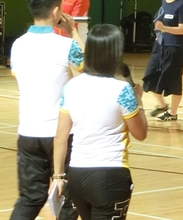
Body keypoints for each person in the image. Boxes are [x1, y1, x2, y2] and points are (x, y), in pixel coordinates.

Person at [51, 24, 148, 220]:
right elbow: (140, 133)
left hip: (77, 174)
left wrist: (58, 176)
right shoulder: (122, 90)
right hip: (109, 176)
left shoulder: (71, 87)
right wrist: (139, 100)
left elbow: (61, 136)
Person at [9, 0, 84, 220]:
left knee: (29, 199)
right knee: (69, 200)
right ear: (56, 11)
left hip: (28, 132)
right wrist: (73, 32)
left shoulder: (17, 45)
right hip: (60, 134)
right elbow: (91, 70)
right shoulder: (66, 45)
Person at [142, 0, 183, 122]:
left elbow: (182, 29)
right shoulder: (164, 2)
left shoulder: (181, 6)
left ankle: (173, 113)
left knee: (174, 80)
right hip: (160, 46)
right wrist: (159, 33)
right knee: (150, 75)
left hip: (175, 48)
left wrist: (164, 29)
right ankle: (162, 105)